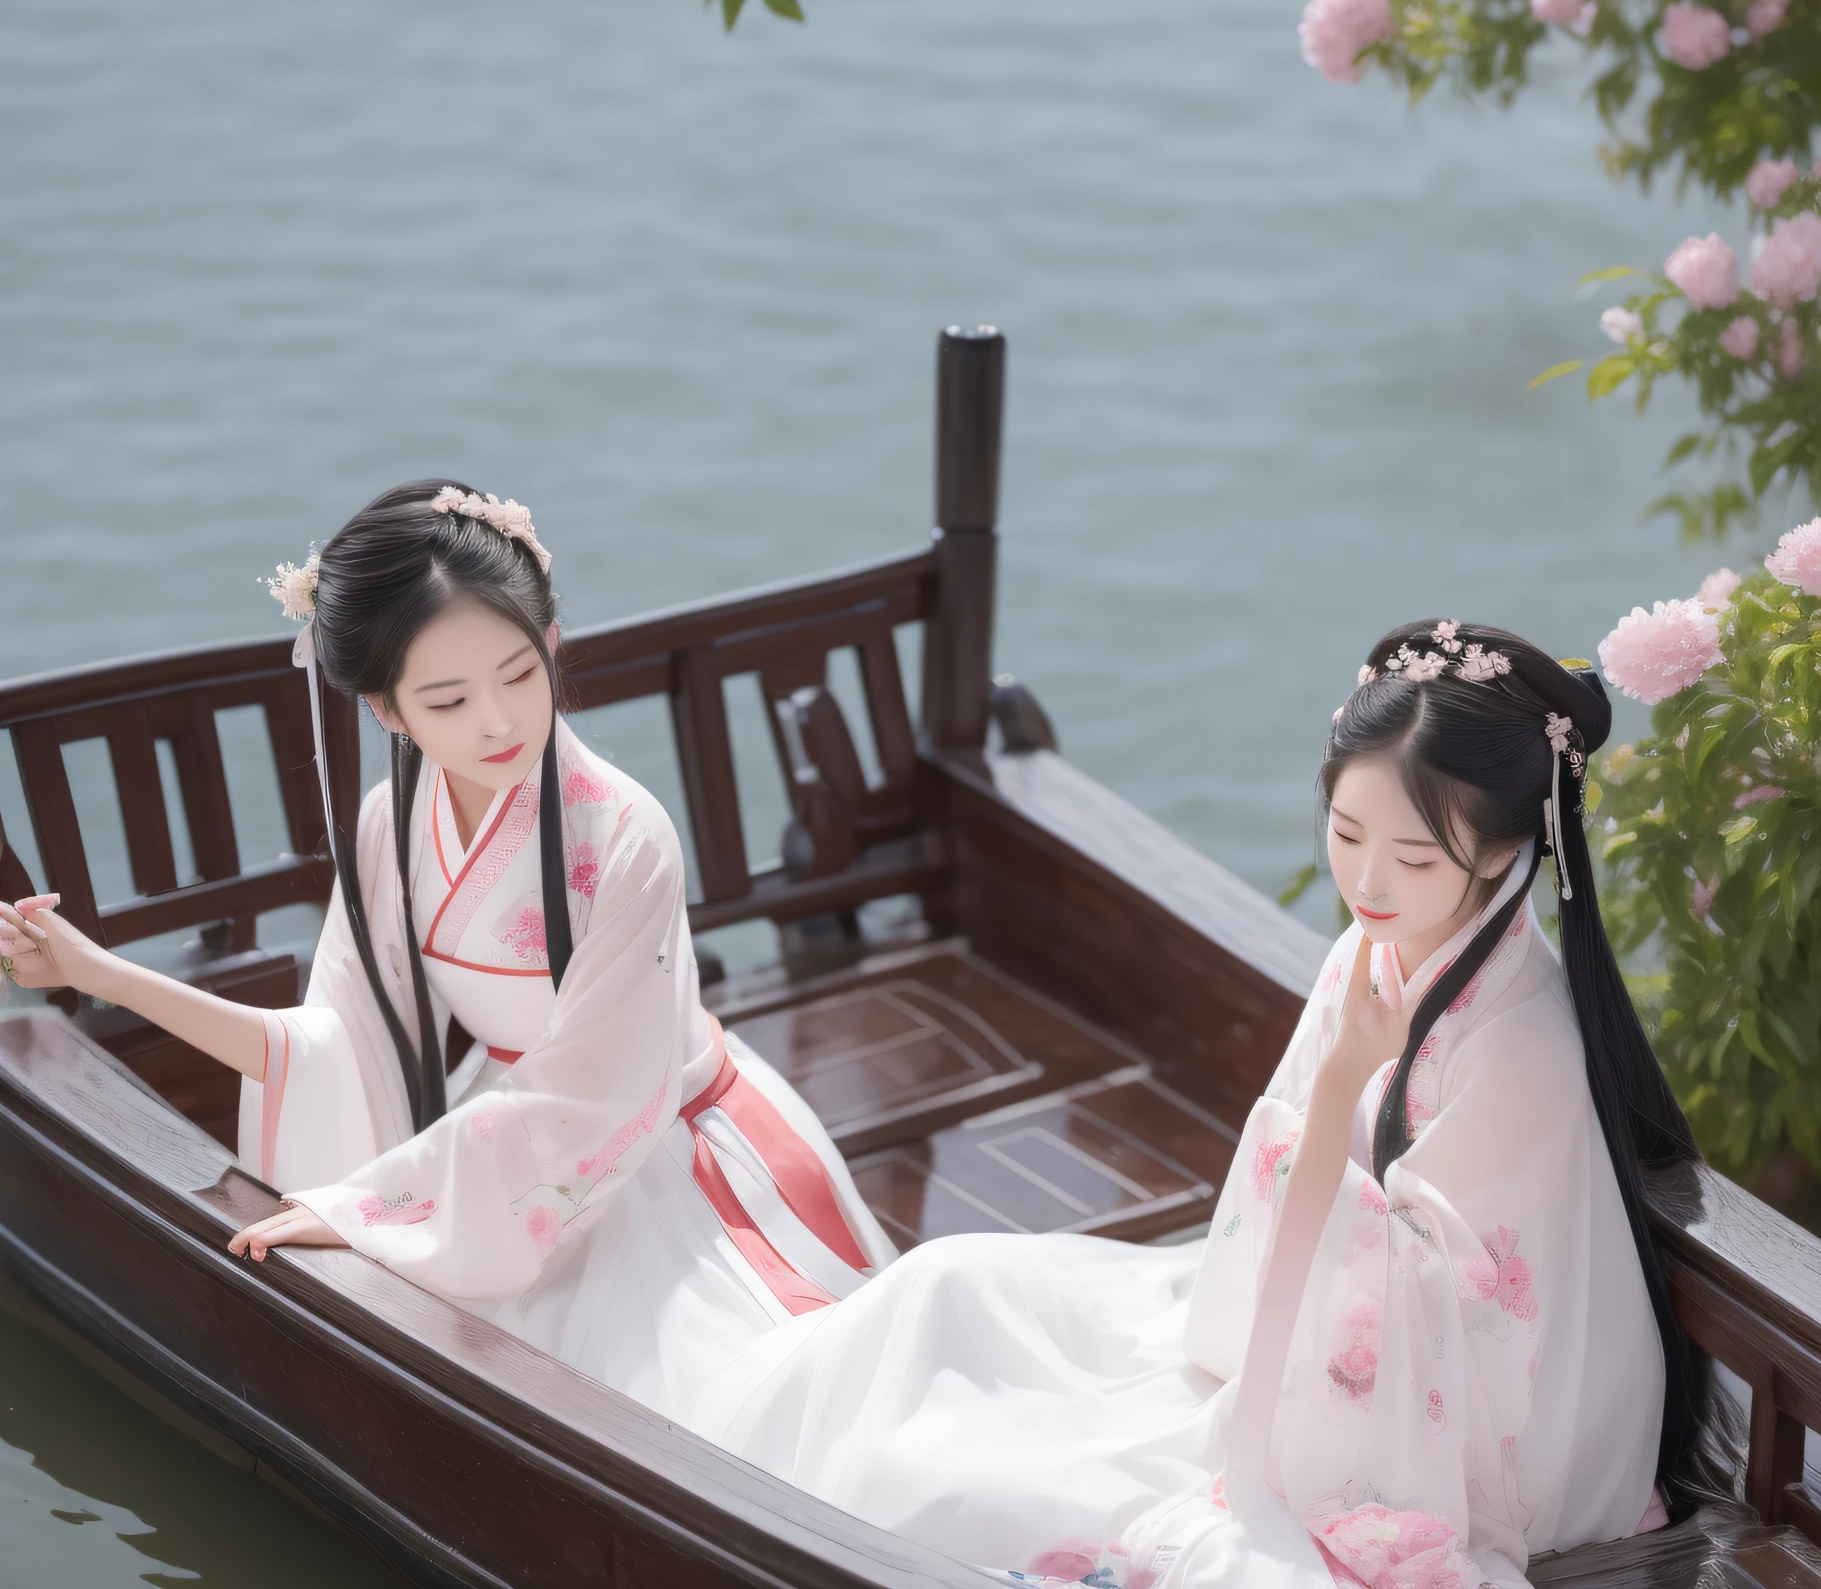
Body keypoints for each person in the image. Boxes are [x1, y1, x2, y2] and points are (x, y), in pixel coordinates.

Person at [693, 620, 1707, 1589]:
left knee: (963, 1477)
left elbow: (1441, 1318)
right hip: (1305, 1333)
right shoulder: (1375, 945)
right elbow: (1302, 1208)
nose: (1364, 879)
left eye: (1409, 857)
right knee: (944, 1288)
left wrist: (1344, 1082)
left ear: (1498, 855)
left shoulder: (1521, 1041)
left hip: (1460, 1437)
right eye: (1346, 832)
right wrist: (1336, 1101)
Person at [0, 481, 892, 1421]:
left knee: (750, 1417)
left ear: (551, 643)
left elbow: (590, 1096)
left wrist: (372, 1207)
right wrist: (95, 972)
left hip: (649, 1146)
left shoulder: (628, 836)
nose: (499, 722)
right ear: (388, 712)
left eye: (518, 674)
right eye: (449, 698)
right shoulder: (393, 825)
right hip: (503, 1147)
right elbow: (329, 1047)